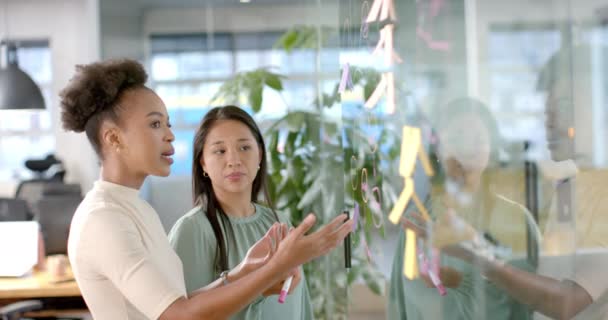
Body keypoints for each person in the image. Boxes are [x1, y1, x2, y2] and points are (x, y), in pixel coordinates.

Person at [62, 59, 353, 320]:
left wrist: (245, 270)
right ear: (113, 138)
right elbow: (180, 316)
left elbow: (180, 303)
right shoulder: (103, 219)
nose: (170, 134)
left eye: (167, 123)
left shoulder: (136, 208)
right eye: (155, 124)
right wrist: (276, 268)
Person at [387, 97, 538, 319]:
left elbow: (530, 305)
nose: (467, 148)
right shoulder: (417, 221)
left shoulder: (517, 221)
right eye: (457, 138)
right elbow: (398, 305)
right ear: (437, 148)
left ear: (492, 147)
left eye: (477, 139)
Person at [169, 105, 313, 320]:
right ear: (203, 163)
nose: (234, 161)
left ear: (260, 155)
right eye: (220, 151)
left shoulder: (280, 221)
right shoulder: (192, 231)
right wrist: (259, 288)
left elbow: (301, 309)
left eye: (244, 148)